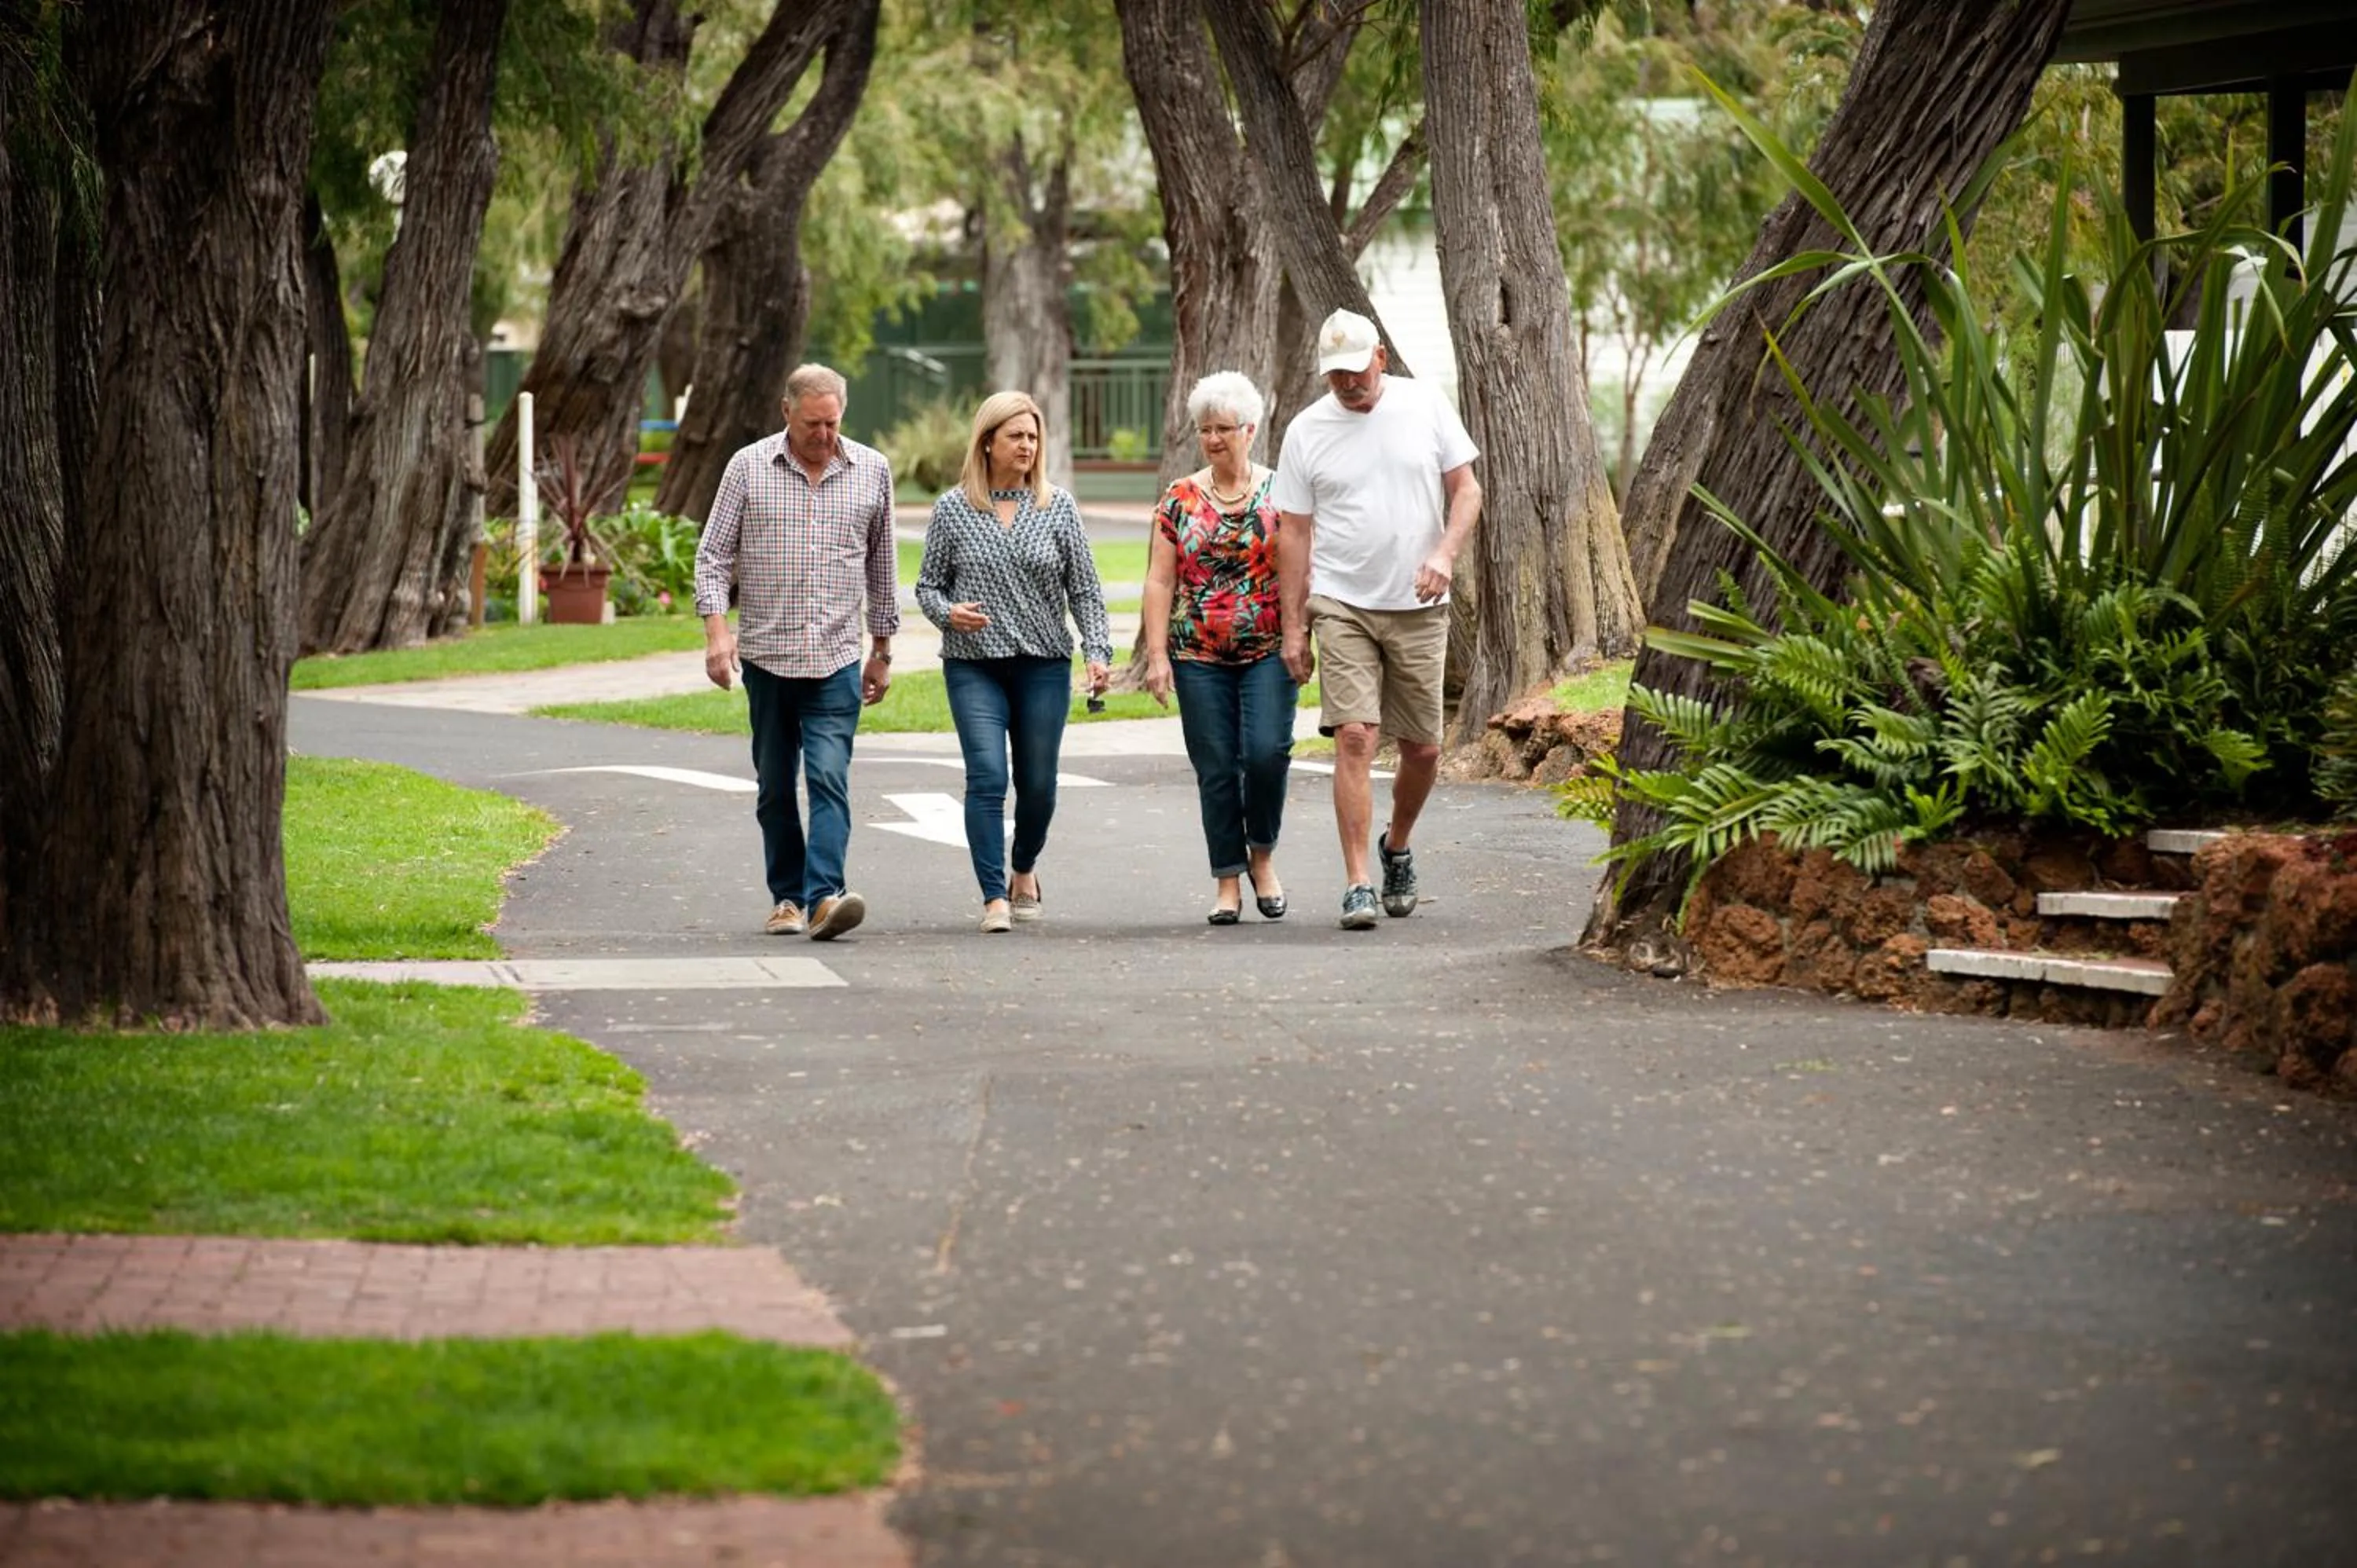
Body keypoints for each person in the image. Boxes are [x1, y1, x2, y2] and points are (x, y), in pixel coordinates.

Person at [1270, 309, 1482, 931]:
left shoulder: (1425, 405)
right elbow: (1294, 533)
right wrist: (1293, 627)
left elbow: (1466, 490)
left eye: (1357, 371)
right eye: (1336, 375)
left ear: (1380, 358)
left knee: (1422, 747)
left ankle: (1397, 847)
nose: (1348, 384)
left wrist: (1444, 554)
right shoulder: (1306, 431)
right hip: (1343, 602)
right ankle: (1358, 881)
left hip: (1419, 603)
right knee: (1356, 736)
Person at [694, 362, 896, 941]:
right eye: (813, 423)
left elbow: (882, 566)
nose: (824, 435)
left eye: (833, 423)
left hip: (836, 657)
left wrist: (881, 648)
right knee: (777, 785)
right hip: (767, 656)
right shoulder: (748, 467)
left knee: (830, 778)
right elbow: (712, 558)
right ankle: (786, 897)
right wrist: (716, 633)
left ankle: (825, 897)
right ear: (787, 412)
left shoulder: (871, 470)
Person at [915, 390, 1114, 934]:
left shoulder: (1058, 506)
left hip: (1043, 665)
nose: (1026, 446)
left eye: (1032, 437)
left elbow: (1087, 591)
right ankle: (992, 897)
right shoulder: (953, 509)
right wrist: (948, 614)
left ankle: (1023, 867)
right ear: (987, 443)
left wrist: (1097, 652)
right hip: (973, 665)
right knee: (986, 776)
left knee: (1039, 783)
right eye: (1015, 437)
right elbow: (928, 586)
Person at [1140, 371, 1295, 925]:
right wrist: (1157, 657)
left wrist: (1302, 633)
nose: (1212, 439)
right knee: (1216, 768)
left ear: (1249, 430)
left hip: (1270, 649)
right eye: (1204, 430)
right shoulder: (1179, 498)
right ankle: (1228, 880)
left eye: (1223, 429)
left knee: (1267, 754)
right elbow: (1160, 581)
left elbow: (1303, 567)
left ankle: (1264, 857)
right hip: (1197, 654)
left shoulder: (1282, 491)